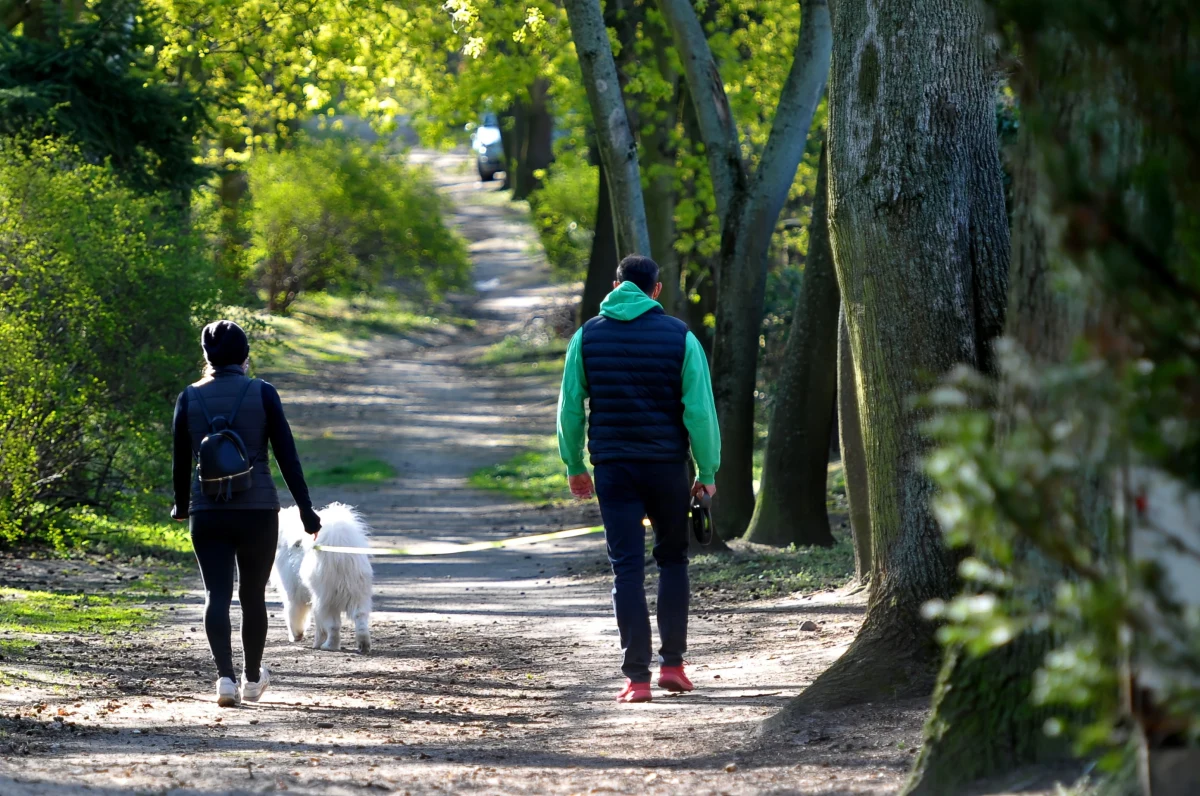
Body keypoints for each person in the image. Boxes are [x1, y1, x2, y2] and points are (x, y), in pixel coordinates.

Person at [557, 255, 721, 703]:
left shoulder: (586, 336)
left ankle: (637, 679)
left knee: (626, 569)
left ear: (615, 285)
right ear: (657, 290)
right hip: (668, 467)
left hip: (613, 469)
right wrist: (706, 472)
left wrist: (574, 465)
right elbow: (700, 412)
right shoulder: (680, 337)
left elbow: (571, 407)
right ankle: (673, 666)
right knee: (672, 561)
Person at [171, 320, 322, 707]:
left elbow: (180, 461)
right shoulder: (263, 393)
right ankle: (252, 678)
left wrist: (181, 504)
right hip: (257, 510)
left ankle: (224, 678)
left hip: (208, 512)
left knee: (215, 594)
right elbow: (287, 456)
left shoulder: (188, 397)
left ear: (206, 357)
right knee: (252, 594)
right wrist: (306, 510)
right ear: (245, 355)